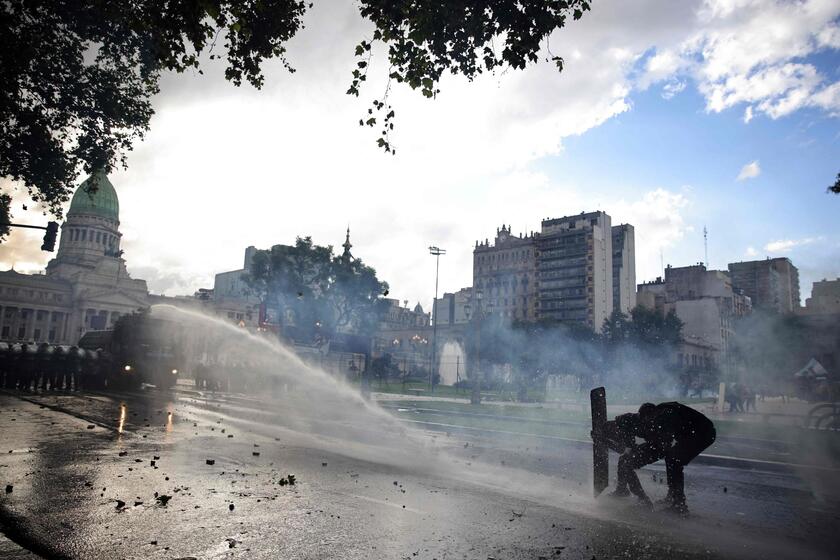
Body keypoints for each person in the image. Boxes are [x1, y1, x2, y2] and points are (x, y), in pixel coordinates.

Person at [602, 402, 716, 514]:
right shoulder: (632, 419)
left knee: (673, 459)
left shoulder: (665, 420)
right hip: (685, 434)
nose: (650, 424)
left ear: (656, 415)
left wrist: (638, 452)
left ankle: (679, 504)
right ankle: (622, 490)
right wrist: (607, 439)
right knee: (625, 460)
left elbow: (662, 448)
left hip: (703, 434)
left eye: (651, 422)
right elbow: (614, 426)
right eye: (646, 421)